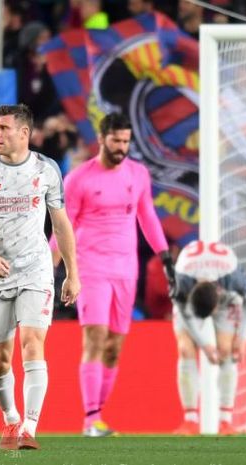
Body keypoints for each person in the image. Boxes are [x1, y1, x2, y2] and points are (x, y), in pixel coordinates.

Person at [0, 104, 80, 451]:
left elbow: (60, 223)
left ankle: (30, 427)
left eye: (4, 128)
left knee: (33, 344)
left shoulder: (46, 169)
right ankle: (11, 418)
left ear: (24, 133)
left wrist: (72, 273)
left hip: (35, 269)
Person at [54, 112, 174, 437]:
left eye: (126, 141)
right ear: (102, 138)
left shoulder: (138, 174)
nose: (121, 147)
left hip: (126, 270)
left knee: (114, 347)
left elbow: (147, 215)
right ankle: (91, 421)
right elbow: (65, 228)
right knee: (94, 337)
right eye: (116, 141)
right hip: (91, 267)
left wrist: (165, 256)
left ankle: (99, 416)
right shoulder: (79, 179)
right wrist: (49, 264)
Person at [170, 240, 246, 435]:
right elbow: (184, 313)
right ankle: (190, 421)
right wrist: (205, 344)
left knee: (227, 351)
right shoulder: (181, 280)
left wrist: (242, 338)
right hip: (189, 296)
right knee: (185, 349)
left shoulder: (231, 276)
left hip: (227, 296)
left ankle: (225, 422)